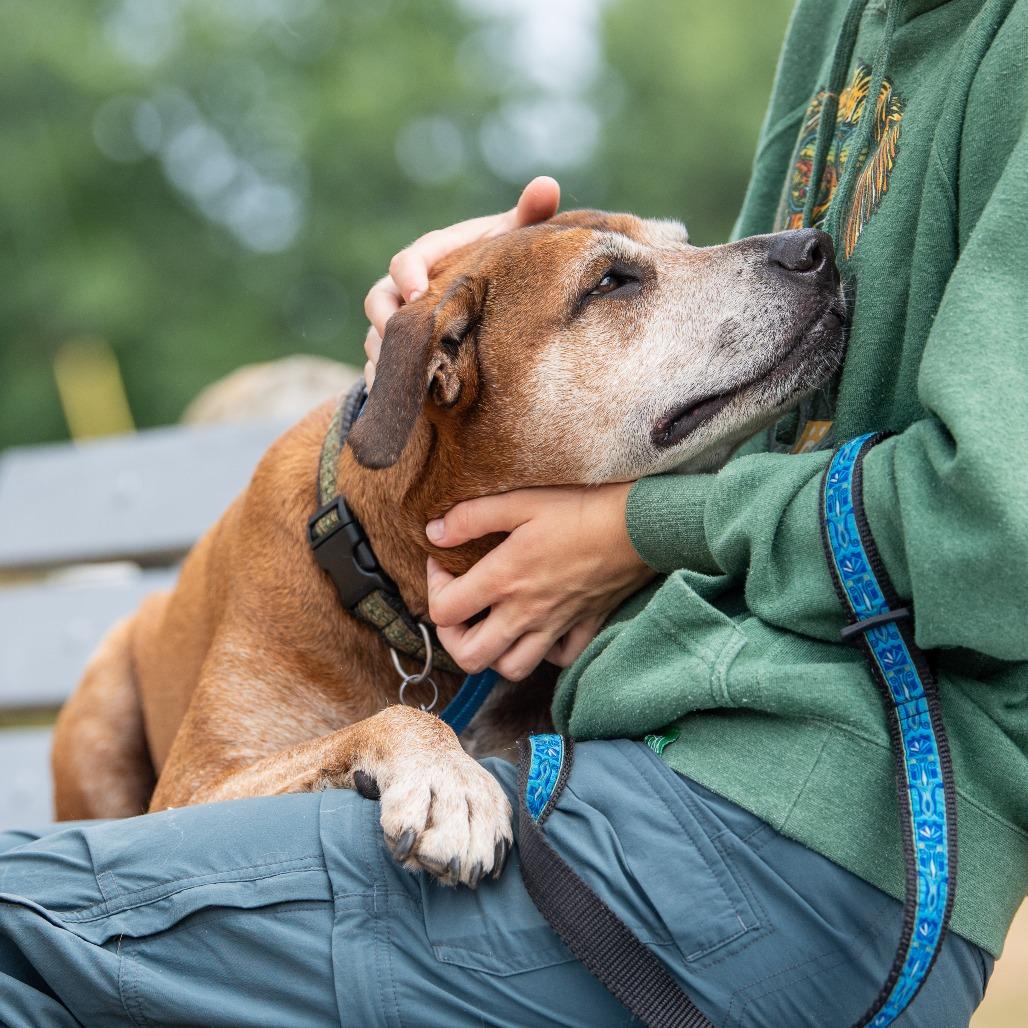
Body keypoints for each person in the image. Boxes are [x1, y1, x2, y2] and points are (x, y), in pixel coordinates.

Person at [1, 0, 1025, 1024]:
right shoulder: (305, 545)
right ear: (444, 373)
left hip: (813, 829)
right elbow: (185, 808)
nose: (792, 249)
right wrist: (476, 300)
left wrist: (628, 528)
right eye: (619, 283)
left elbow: (986, 516)